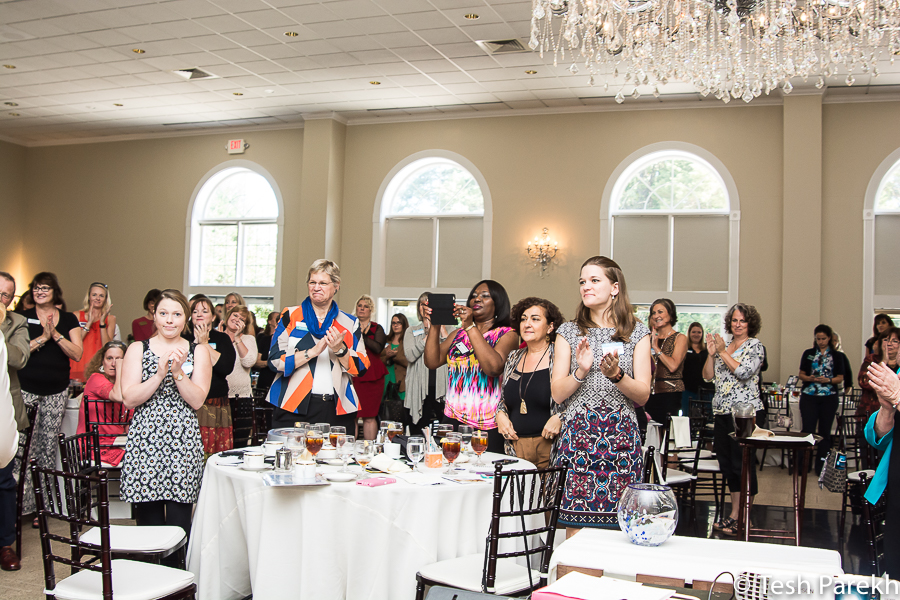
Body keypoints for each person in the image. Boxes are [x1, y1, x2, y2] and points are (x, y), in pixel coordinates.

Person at [550, 256, 651, 531]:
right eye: (582, 281)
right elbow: (557, 394)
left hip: (621, 440)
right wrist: (581, 371)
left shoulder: (637, 332)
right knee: (575, 522)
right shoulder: (568, 332)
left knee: (622, 527)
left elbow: (643, 395)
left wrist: (617, 376)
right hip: (579, 439)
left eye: (595, 280)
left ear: (615, 288)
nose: (586, 286)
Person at [120, 289, 211, 541]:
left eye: (176, 314)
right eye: (163, 313)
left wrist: (178, 373)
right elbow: (129, 398)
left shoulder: (199, 351)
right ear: (154, 316)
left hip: (183, 442)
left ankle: (178, 568)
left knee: (179, 526)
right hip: (145, 441)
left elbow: (197, 400)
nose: (169, 320)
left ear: (186, 318)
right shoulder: (137, 349)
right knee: (148, 527)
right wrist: (159, 374)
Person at [265, 259, 369, 431]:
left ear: (336, 286)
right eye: (312, 282)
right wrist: (311, 352)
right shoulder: (290, 315)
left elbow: (362, 368)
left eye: (323, 283)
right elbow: (274, 361)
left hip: (336, 409)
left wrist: (340, 350)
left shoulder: (350, 323)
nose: (316, 287)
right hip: (292, 405)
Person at [17, 272, 83, 523]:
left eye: (45, 288)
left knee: (46, 449)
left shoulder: (68, 319)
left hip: (56, 392)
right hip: (26, 389)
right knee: (24, 448)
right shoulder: (22, 317)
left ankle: (41, 509)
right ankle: (20, 506)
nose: (40, 292)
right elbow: (18, 353)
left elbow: (77, 353)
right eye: (36, 288)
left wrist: (55, 334)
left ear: (55, 292)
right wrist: (42, 338)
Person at [424, 280, 518, 453]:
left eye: (485, 296)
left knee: (483, 467)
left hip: (487, 422)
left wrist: (470, 326)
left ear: (498, 302)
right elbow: (432, 361)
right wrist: (435, 325)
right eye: (474, 296)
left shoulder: (507, 334)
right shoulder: (458, 334)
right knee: (450, 465)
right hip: (453, 418)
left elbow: (493, 368)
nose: (477, 299)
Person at [702, 303, 765, 535]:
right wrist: (711, 355)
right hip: (722, 412)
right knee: (727, 465)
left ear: (750, 324)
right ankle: (734, 514)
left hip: (744, 414)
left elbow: (744, 373)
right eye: (734, 320)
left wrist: (722, 352)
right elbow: (707, 377)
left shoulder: (755, 346)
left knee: (743, 464)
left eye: (742, 321)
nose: (737, 325)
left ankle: (745, 517)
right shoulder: (725, 346)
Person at [495, 297, 566, 470]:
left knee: (548, 489)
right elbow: (504, 398)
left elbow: (579, 399)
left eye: (535, 319)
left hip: (550, 447)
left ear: (550, 327)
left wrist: (561, 417)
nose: (527, 324)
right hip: (515, 446)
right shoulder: (514, 357)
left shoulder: (561, 355)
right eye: (523, 319)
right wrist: (500, 414)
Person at [185, 296, 236, 457]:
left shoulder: (222, 338)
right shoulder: (182, 338)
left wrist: (204, 345)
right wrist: (195, 344)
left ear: (213, 317)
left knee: (215, 454)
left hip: (215, 403)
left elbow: (225, 368)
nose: (199, 314)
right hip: (186, 401)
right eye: (195, 311)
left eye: (204, 311)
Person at [0, 285, 25, 572]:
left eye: (5, 294)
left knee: (4, 480)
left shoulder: (15, 322)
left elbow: (18, 358)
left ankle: (5, 544)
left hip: (3, 410)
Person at [798, 324, 845, 474]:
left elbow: (840, 378)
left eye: (823, 338)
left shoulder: (837, 356)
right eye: (818, 339)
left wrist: (828, 380)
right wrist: (810, 378)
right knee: (808, 430)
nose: (821, 341)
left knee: (825, 432)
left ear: (829, 338)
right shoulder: (809, 353)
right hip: (809, 395)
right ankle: (803, 465)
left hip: (828, 396)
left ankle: (821, 468)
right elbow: (801, 374)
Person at [404, 293, 451, 434]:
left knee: (446, 432)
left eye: (429, 304)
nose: (425, 307)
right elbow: (410, 356)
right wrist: (429, 337)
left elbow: (452, 355)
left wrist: (441, 330)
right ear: (419, 308)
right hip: (419, 388)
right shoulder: (411, 331)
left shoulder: (449, 330)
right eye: (422, 304)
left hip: (442, 388)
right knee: (418, 432)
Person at [76, 341, 127, 466]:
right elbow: (117, 396)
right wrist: (121, 368)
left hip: (118, 443)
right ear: (102, 362)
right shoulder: (95, 379)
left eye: (118, 359)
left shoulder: (126, 386)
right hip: (94, 446)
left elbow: (129, 425)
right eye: (109, 358)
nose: (114, 363)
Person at [645, 298, 687, 423]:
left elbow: (673, 366)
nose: (656, 316)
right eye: (654, 313)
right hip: (649, 392)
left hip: (670, 393)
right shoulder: (648, 338)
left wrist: (656, 348)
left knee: (666, 429)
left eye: (660, 312)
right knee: (649, 429)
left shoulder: (679, 338)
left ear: (670, 314)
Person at [354, 295, 388, 440]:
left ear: (371, 310)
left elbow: (378, 348)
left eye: (366, 306)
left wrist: (361, 334)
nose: (362, 308)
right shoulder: (349, 325)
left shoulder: (377, 328)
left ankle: (370, 448)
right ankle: (350, 449)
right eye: (360, 305)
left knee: (369, 415)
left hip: (373, 376)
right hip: (353, 373)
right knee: (353, 414)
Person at [70, 282, 116, 382]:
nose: (97, 298)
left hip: (98, 367)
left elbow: (107, 347)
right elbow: (74, 343)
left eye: (101, 296)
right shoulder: (77, 315)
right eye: (94, 295)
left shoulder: (110, 319)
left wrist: (102, 323)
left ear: (105, 299)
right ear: (89, 297)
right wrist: (89, 323)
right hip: (78, 365)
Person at [381, 313, 409, 426]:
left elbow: (410, 361)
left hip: (401, 380)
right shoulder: (385, 340)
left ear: (404, 324)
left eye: (399, 323)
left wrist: (396, 356)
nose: (395, 325)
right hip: (386, 378)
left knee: (400, 412)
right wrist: (387, 357)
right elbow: (378, 359)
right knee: (384, 411)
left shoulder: (407, 340)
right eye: (393, 323)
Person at [223, 305, 257, 398]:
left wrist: (237, 338)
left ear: (245, 324)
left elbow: (248, 362)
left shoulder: (249, 339)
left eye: (241, 319)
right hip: (217, 393)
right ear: (229, 315)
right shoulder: (217, 336)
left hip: (242, 395)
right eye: (235, 315)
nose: (237, 319)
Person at [860, 329, 895, 418]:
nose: (889, 344)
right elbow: (864, 382)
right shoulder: (871, 359)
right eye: (886, 340)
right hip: (872, 409)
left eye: (894, 341)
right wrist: (883, 362)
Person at [682, 322, 712, 413]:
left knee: (707, 416)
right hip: (688, 389)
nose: (696, 334)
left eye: (699, 332)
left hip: (706, 389)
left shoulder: (708, 349)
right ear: (689, 333)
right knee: (688, 415)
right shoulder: (684, 348)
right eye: (693, 332)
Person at [253, 311, 279, 394]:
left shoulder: (286, 340)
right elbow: (256, 362)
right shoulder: (263, 338)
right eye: (277, 318)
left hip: (279, 380)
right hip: (265, 380)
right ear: (269, 321)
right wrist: (271, 362)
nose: (279, 320)